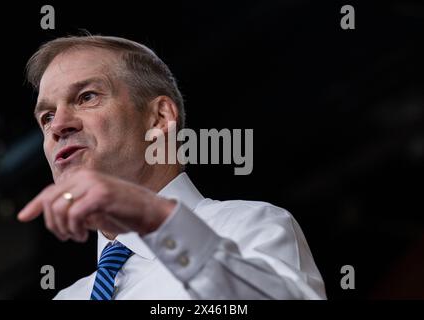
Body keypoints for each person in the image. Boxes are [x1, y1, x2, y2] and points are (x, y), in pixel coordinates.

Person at [17, 35, 326, 300]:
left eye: (86, 97)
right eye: (46, 117)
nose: (58, 125)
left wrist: (152, 217)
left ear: (160, 118)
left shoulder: (249, 226)